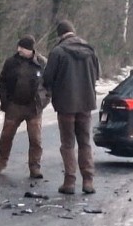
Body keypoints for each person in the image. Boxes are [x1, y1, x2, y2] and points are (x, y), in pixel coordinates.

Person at [42, 19, 101, 195]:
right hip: (86, 103)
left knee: (67, 144)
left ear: (60, 34)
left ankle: (69, 182)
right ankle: (88, 180)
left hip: (65, 104)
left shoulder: (57, 52)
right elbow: (97, 75)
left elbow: (47, 78)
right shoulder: (90, 50)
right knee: (85, 142)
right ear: (73, 31)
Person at [0, 36, 47, 178]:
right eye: (19, 47)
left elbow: (49, 85)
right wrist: (5, 101)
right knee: (6, 137)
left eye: (22, 48)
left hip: (34, 108)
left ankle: (35, 167)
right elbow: (2, 82)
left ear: (30, 49)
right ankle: (1, 163)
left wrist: (43, 102)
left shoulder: (42, 63)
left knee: (35, 139)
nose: (19, 50)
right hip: (14, 106)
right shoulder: (11, 62)